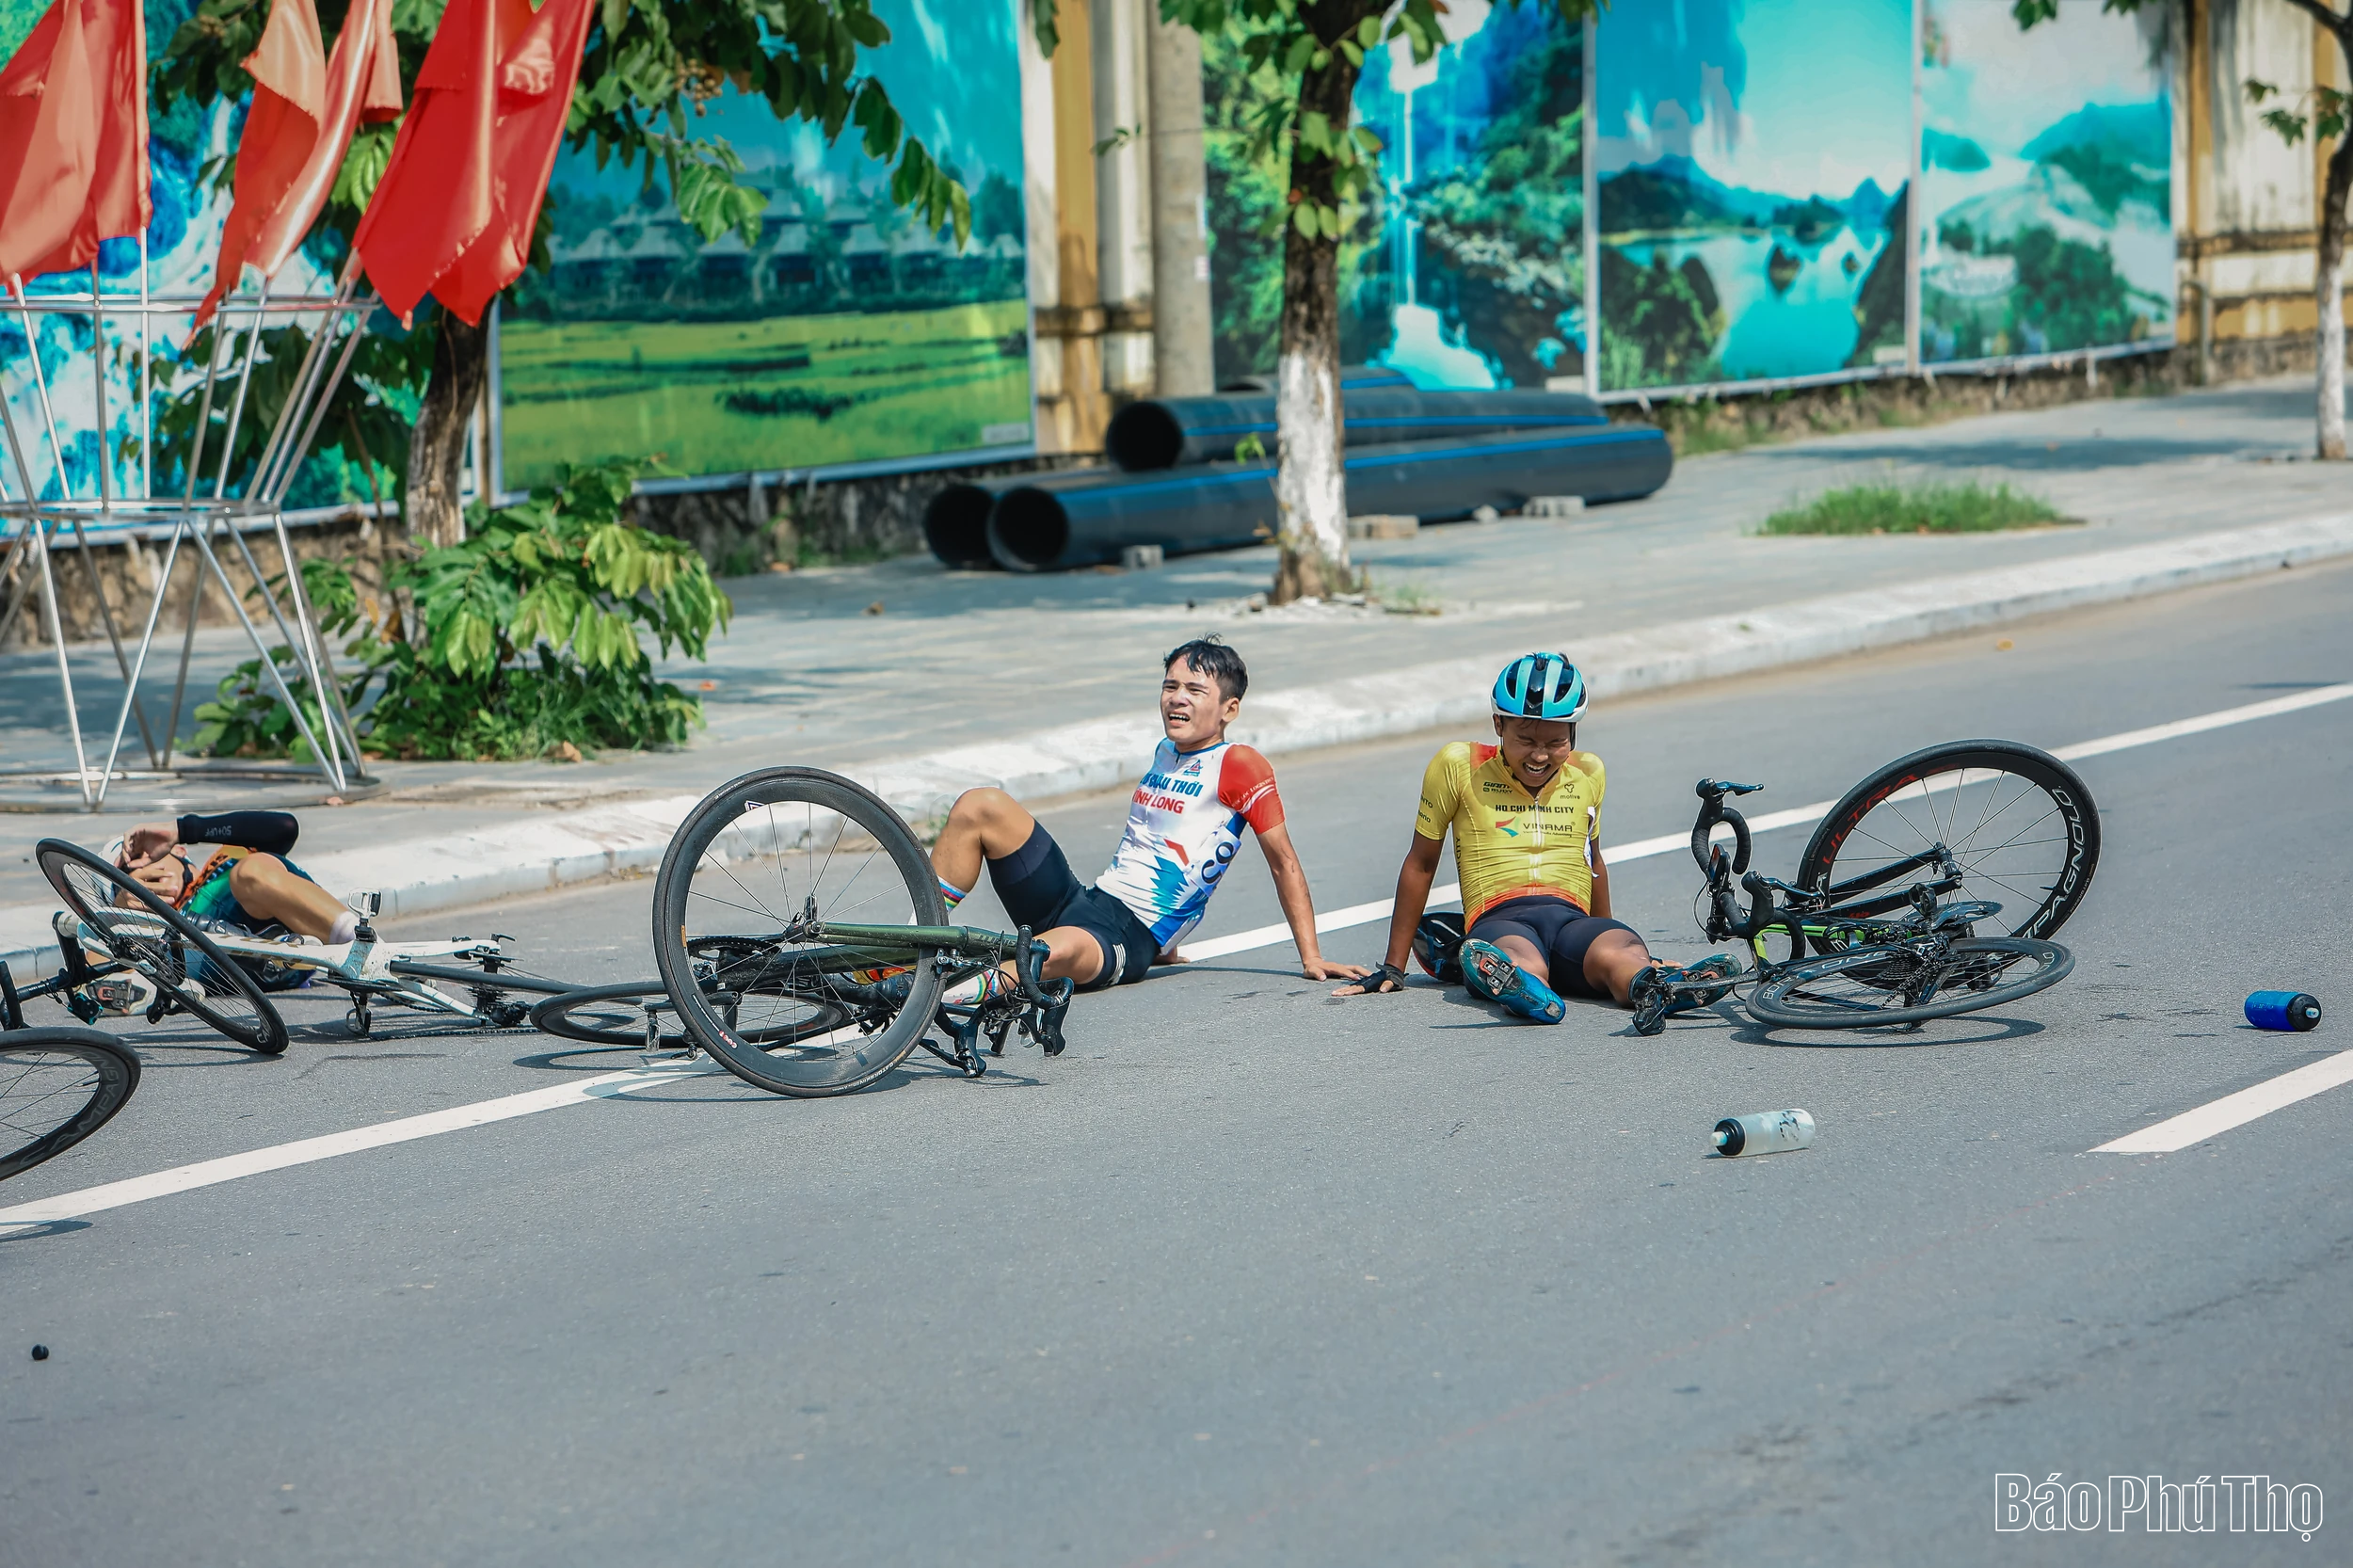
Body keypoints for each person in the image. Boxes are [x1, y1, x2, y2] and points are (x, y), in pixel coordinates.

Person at [927, 638, 1368, 1048]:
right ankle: (914, 942)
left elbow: (1283, 862)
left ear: (1229, 709)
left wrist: (1312, 957)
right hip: (1080, 900)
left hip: (1123, 937)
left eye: (1195, 690)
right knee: (980, 805)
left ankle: (919, 997)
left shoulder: (1240, 765)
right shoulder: (1166, 750)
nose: (1177, 697)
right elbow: (1166, 844)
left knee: (1043, 954)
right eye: (1170, 685)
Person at [1335, 651, 1737, 1030]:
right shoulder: (1458, 765)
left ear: (1573, 733)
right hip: (1501, 917)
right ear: (1498, 725)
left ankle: (1653, 984)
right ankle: (1522, 987)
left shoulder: (1589, 772)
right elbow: (1421, 863)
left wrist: (1611, 930)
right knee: (1522, 958)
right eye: (1525, 740)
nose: (1540, 756)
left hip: (1571, 920)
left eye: (1555, 742)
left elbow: (1592, 861)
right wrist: (1393, 966)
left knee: (1617, 951)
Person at [115, 810, 355, 945]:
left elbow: (285, 827)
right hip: (208, 956)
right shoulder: (158, 927)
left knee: (250, 872)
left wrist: (181, 830)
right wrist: (120, 915)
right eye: (126, 874)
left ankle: (369, 948)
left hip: (275, 905)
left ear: (178, 851)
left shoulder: (228, 855)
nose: (140, 872)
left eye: (139, 857)